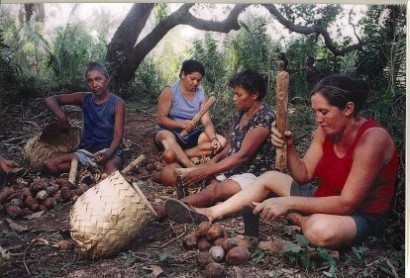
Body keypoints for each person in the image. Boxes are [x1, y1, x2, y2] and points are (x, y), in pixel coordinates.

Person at [165, 74, 398, 249]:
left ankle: (298, 218)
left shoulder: (372, 139)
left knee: (320, 230)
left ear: (348, 108)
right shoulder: (324, 131)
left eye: (324, 112)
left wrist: (288, 204)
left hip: (360, 214)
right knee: (269, 178)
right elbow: (304, 175)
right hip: (323, 196)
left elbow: (347, 204)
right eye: (315, 111)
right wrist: (289, 148)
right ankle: (211, 212)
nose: (318, 119)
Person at [158, 69, 276, 220]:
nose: (234, 98)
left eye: (239, 94)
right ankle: (181, 195)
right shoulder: (244, 111)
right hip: (235, 169)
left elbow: (242, 156)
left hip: (254, 175)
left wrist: (207, 170)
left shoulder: (264, 118)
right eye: (234, 93)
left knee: (214, 188)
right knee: (200, 179)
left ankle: (165, 210)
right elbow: (233, 144)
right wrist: (215, 159)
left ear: (255, 94)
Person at [43, 62, 125, 178]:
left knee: (109, 171)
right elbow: (50, 99)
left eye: (98, 79)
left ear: (107, 80)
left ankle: (93, 172)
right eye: (90, 80)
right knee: (50, 165)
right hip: (86, 152)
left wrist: (108, 154)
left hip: (109, 150)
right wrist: (62, 118)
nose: (95, 84)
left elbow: (117, 136)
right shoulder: (84, 98)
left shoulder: (117, 103)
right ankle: (89, 170)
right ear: (87, 83)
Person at [154, 59, 227, 167]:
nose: (195, 83)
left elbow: (206, 121)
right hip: (169, 133)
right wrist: (181, 124)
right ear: (183, 74)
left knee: (222, 142)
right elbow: (161, 119)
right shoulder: (170, 91)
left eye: (198, 80)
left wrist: (213, 138)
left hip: (191, 137)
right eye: (192, 79)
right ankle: (190, 166)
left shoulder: (201, 95)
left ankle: (179, 155)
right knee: (166, 136)